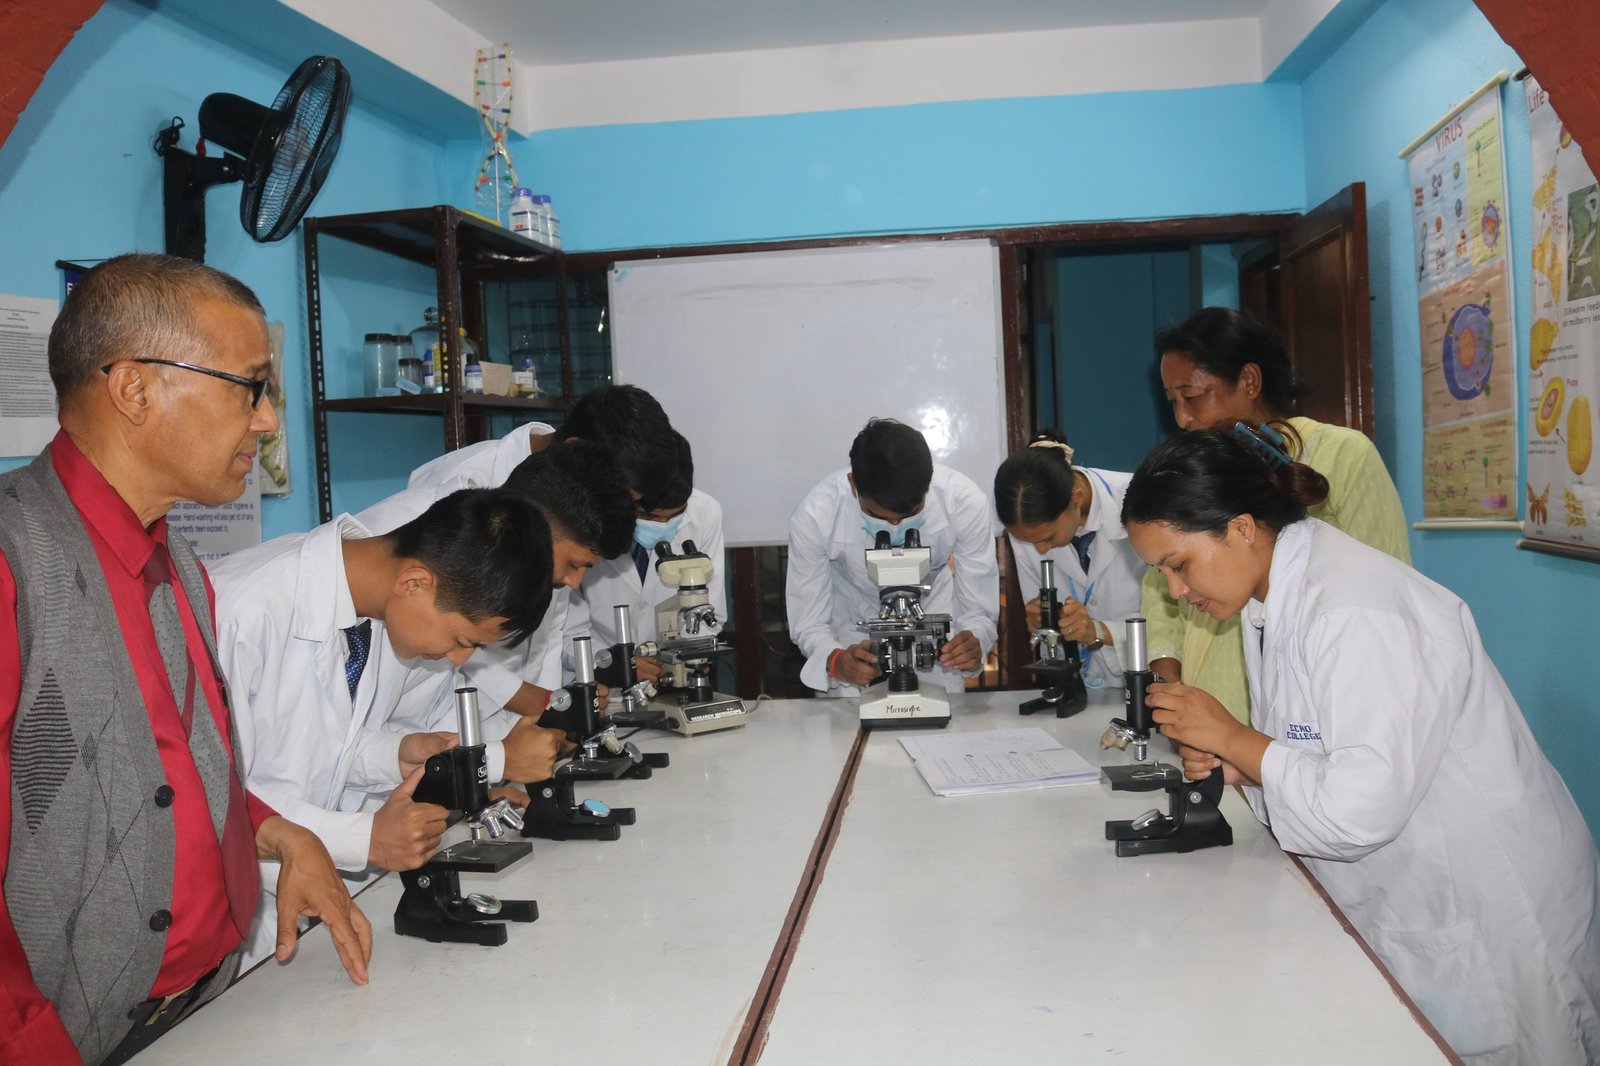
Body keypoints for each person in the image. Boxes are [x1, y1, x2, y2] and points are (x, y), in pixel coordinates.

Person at [1122, 429, 1600, 1066]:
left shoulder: (1353, 607)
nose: (1177, 591)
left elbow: (1358, 810)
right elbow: (1316, 752)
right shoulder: (1273, 599)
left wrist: (1233, 737)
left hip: (1491, 907)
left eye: (1178, 565)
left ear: (1240, 529)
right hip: (1416, 890)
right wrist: (1248, 765)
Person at [0, 254, 369, 1066]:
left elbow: (166, 771)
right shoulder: (14, 566)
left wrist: (277, 835)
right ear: (136, 390)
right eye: (251, 386)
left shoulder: (179, 571)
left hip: (206, 1005)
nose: (268, 421)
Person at [211, 488, 557, 967]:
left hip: (292, 913)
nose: (459, 659)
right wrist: (365, 837)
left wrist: (391, 753)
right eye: (461, 640)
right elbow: (212, 798)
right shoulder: (245, 612)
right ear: (415, 581)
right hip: (220, 922)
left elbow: (306, 748)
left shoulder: (368, 609)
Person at [1145, 307, 1410, 722]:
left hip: (1313, 700)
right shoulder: (1195, 469)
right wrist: (1170, 685)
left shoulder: (1343, 454)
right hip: (1208, 699)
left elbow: (1387, 582)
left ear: (1249, 380)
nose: (1182, 418)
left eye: (1193, 397)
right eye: (1172, 402)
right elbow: (1160, 585)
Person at [357, 437, 635, 718]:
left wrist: (554, 710)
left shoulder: (536, 567)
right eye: (574, 564)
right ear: (535, 525)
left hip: (449, 735)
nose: (576, 581)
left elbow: (546, 650)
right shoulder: (426, 535)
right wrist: (540, 709)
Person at [787, 418, 998, 696]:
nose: (895, 528)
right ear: (853, 484)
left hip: (933, 632)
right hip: (852, 635)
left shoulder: (964, 503)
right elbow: (809, 620)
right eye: (877, 517)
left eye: (911, 514)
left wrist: (974, 641)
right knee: (845, 727)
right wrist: (835, 659)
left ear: (928, 485)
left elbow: (978, 609)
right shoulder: (817, 515)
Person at [993, 430, 1144, 688]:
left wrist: (1099, 631)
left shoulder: (1141, 501)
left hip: (1147, 686)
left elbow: (1175, 624)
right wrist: (1042, 623)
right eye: (1029, 542)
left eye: (1048, 537)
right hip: (1079, 688)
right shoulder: (1028, 529)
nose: (1040, 550)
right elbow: (1046, 639)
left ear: (1077, 498)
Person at [572, 431, 725, 681]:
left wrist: (687, 656)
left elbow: (710, 609)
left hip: (668, 676)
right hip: (597, 675)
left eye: (675, 516)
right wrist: (614, 664)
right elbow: (567, 628)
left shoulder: (706, 513)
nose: (663, 526)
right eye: (650, 518)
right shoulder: (588, 518)